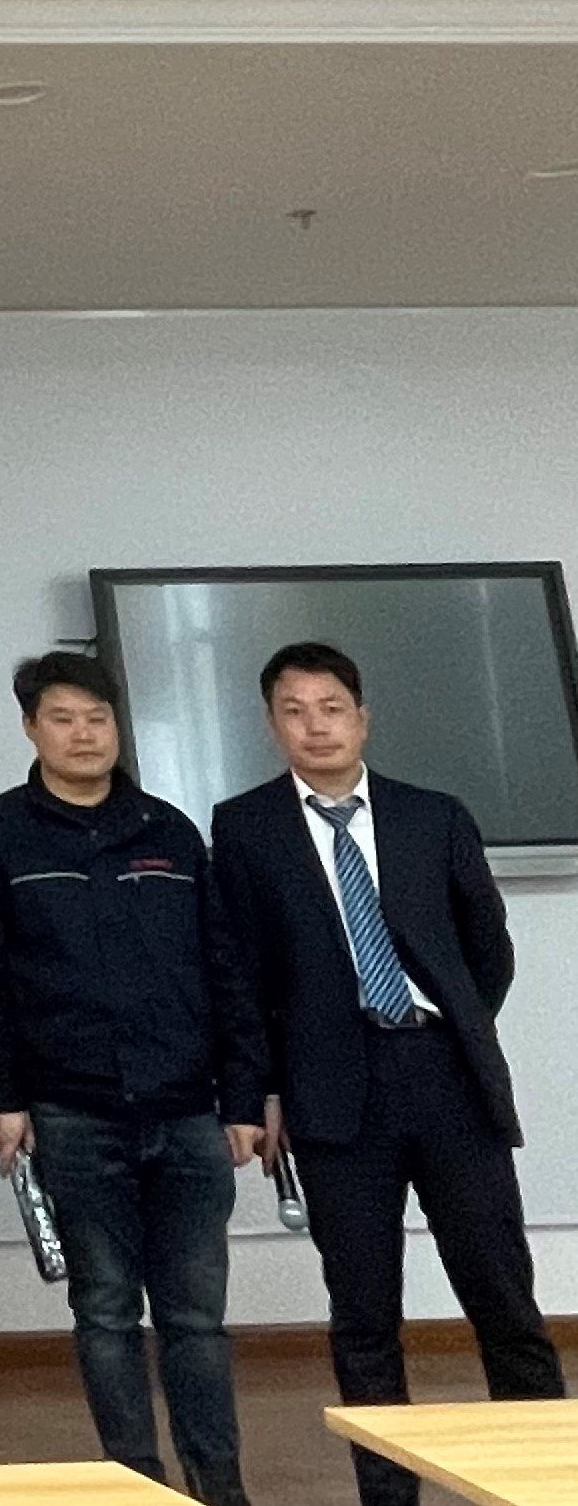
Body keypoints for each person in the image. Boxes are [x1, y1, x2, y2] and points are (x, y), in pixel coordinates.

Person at [210, 641, 564, 1506]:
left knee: (503, 1298)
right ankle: (387, 1496)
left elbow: (486, 945)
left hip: (445, 1078)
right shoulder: (245, 828)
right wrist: (258, 1089)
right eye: (294, 711)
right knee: (364, 1316)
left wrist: (449, 1022)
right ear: (271, 724)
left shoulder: (431, 816)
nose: (315, 726)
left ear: (362, 718)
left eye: (331, 707)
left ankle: (544, 1481)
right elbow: (240, 974)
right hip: (330, 1090)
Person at [0, 651, 267, 1505]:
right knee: (105, 1313)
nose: (83, 734)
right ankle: (134, 1484)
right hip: (71, 1111)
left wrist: (241, 1097)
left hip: (186, 1112)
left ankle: (218, 1485)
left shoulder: (168, 832)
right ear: (29, 728)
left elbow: (225, 972)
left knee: (196, 1320)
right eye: (62, 718)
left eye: (97, 718)